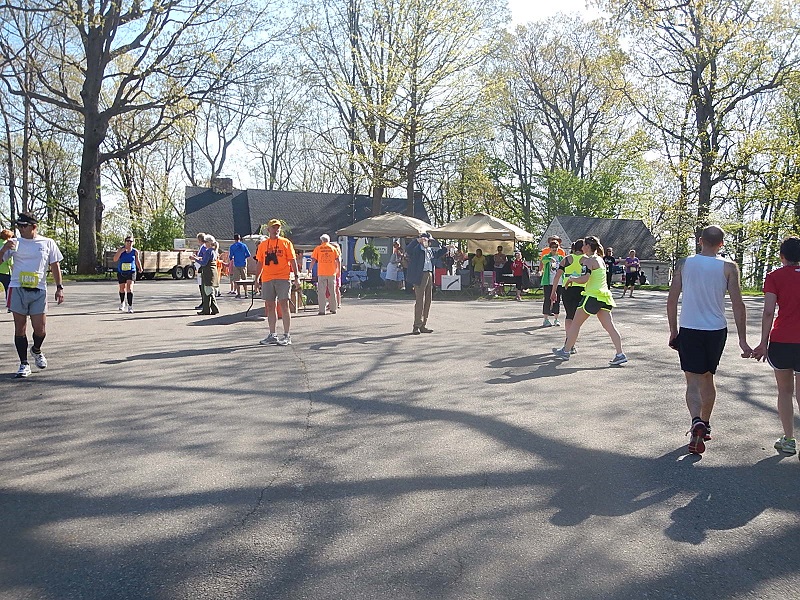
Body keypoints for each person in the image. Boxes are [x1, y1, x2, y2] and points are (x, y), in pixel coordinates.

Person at [667, 225, 752, 455]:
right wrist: (743, 340)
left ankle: (696, 421)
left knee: (691, 382)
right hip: (715, 330)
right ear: (721, 244)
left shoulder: (685, 264)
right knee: (708, 377)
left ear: (700, 241)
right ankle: (705, 423)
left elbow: (672, 298)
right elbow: (738, 304)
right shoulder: (728, 267)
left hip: (690, 327)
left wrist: (673, 330)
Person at [0, 212, 64, 378]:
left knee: (40, 330)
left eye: (24, 226)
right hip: (17, 288)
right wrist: (4, 249)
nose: (20, 229)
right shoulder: (13, 242)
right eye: (19, 226)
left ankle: (36, 350)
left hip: (39, 289)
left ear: (34, 226)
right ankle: (23, 363)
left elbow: (55, 265)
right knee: (20, 328)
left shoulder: (47, 242)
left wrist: (59, 287)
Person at [752, 237, 800, 456]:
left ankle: (789, 439)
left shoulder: (774, 277)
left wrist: (763, 343)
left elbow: (769, 311)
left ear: (782, 256)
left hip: (782, 341)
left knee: (785, 391)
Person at [552, 235, 626, 365]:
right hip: (604, 296)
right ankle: (620, 354)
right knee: (609, 327)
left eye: (584, 245)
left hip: (592, 296)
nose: (582, 247)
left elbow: (584, 279)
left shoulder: (589, 261)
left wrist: (571, 279)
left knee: (575, 323)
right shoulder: (600, 260)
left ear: (587, 246)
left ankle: (566, 351)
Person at [255, 219, 301, 346]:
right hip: (267, 278)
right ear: (268, 230)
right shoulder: (263, 245)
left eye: (278, 228)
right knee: (270, 306)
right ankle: (272, 334)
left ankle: (286, 335)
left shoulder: (286, 243)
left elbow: (292, 260)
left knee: (284, 305)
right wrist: (256, 279)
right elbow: (260, 262)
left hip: (282, 278)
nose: (276, 230)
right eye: (273, 227)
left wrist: (296, 277)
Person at [406, 232, 447, 334]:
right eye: (428, 241)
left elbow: (437, 255)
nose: (429, 243)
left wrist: (446, 248)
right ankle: (416, 325)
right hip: (420, 275)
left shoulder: (430, 250)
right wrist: (416, 240)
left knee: (428, 300)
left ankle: (423, 325)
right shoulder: (417, 249)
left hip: (429, 274)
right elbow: (408, 250)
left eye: (430, 241)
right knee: (420, 300)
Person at [551, 239, 586, 354]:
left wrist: (553, 291)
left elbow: (557, 277)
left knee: (569, 316)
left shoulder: (566, 259)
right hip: (581, 289)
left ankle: (568, 341)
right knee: (577, 318)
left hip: (566, 289)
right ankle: (571, 344)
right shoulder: (586, 260)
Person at [311, 234, 341, 315]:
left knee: (321, 292)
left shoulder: (318, 248)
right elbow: (338, 260)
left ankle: (322, 310)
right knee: (332, 291)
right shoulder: (333, 248)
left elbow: (313, 260)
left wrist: (309, 269)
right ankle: (333, 308)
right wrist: (339, 270)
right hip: (332, 272)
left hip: (321, 272)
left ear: (321, 241)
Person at [113, 235, 142, 313]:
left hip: (131, 271)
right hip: (121, 272)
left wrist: (140, 268)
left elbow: (137, 260)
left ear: (133, 243)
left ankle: (130, 306)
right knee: (122, 288)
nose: (129, 243)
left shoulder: (135, 251)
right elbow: (115, 259)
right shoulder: (121, 250)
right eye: (128, 241)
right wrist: (120, 252)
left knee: (129, 288)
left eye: (131, 241)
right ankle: (122, 303)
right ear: (125, 242)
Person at [539, 240, 563, 327]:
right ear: (550, 248)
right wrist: (550, 259)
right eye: (552, 247)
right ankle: (546, 319)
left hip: (559, 282)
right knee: (547, 299)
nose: (554, 249)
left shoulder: (560, 258)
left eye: (556, 247)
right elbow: (543, 261)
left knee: (557, 300)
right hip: (548, 282)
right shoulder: (546, 256)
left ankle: (556, 319)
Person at [196, 235, 220, 315]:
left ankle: (206, 310)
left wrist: (195, 259)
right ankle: (215, 308)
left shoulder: (209, 251)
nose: (204, 243)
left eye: (206, 241)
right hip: (212, 272)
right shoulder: (213, 251)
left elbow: (204, 263)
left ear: (209, 243)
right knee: (210, 291)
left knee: (206, 292)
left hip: (208, 273)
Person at [192, 232, 207, 310]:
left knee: (202, 286)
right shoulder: (202, 247)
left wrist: (195, 258)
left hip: (201, 267)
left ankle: (204, 302)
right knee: (201, 286)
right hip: (199, 267)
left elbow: (203, 258)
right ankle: (203, 302)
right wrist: (196, 257)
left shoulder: (204, 247)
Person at [0, 228, 13, 306]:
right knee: (8, 289)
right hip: (5, 271)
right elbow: (9, 260)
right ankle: (9, 305)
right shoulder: (7, 245)